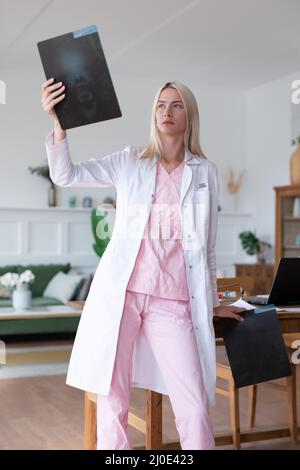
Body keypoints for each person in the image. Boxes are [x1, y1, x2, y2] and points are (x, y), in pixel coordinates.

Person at [41, 78, 245, 450]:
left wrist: (211, 300)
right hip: (124, 297)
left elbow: (208, 249)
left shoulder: (206, 173)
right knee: (113, 396)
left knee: (194, 404)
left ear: (190, 114)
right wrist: (59, 124)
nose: (167, 112)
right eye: (161, 105)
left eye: (177, 105)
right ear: (154, 113)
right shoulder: (128, 161)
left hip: (175, 302)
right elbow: (65, 175)